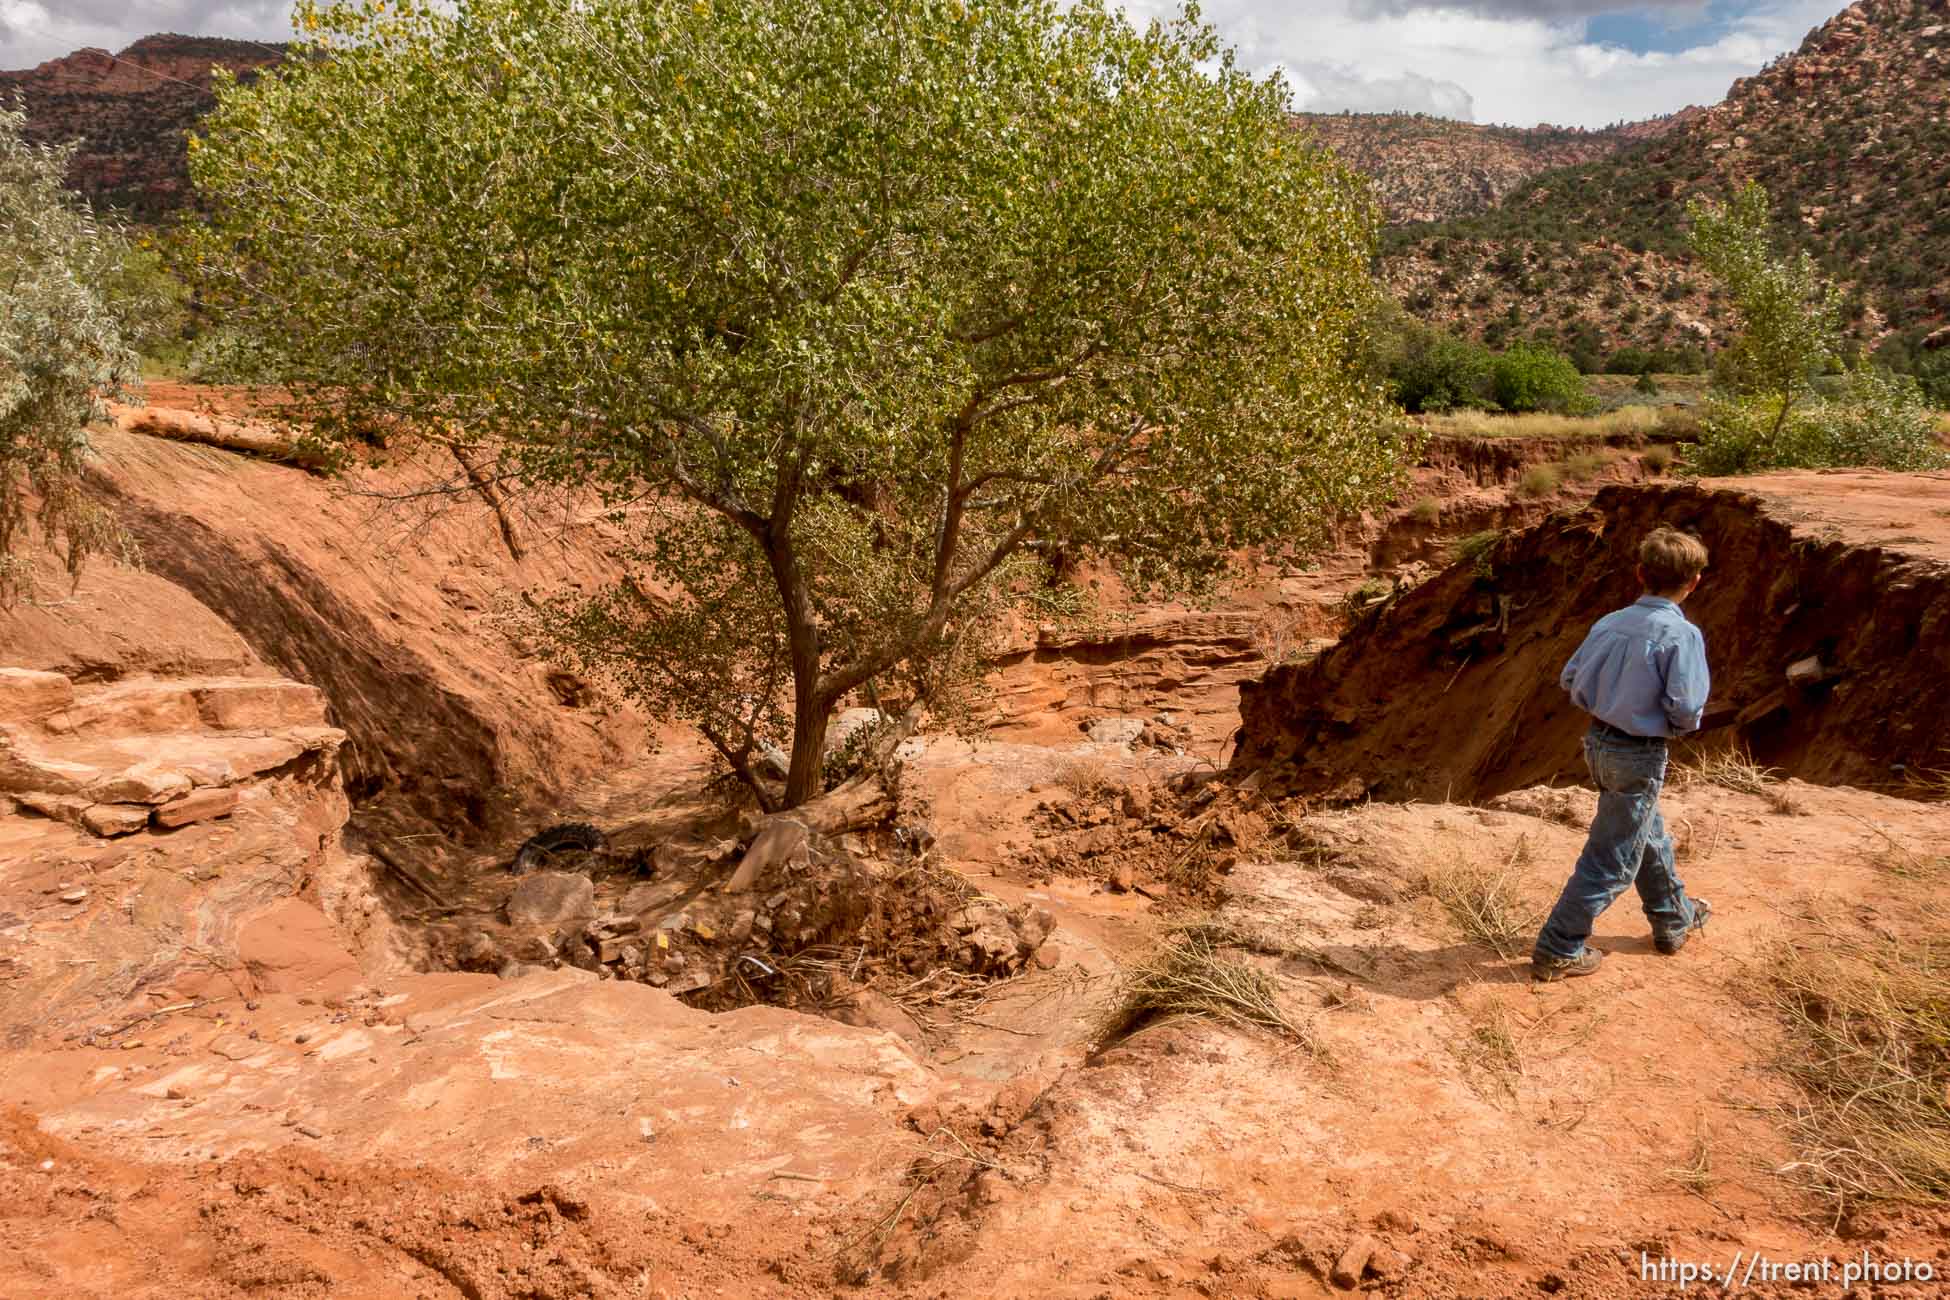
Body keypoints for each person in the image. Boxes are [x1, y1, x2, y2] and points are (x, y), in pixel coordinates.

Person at [1532, 525, 1713, 982]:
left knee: (1643, 831)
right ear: (1694, 582)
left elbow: (1570, 678)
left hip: (1598, 743)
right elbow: (1688, 706)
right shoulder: (1682, 635)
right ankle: (1559, 946)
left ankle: (1674, 918)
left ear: (1639, 574)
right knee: (1612, 856)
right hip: (1640, 752)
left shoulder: (1609, 623)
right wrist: (1675, 726)